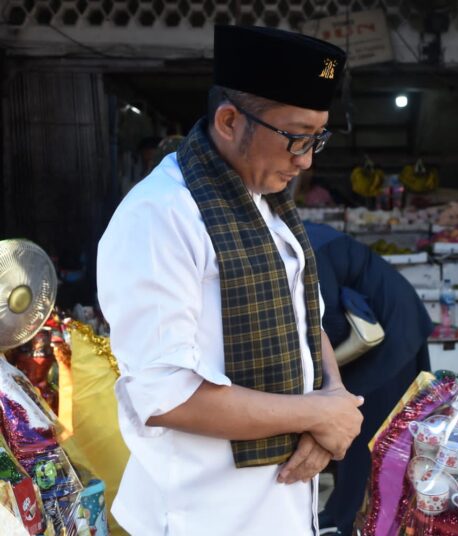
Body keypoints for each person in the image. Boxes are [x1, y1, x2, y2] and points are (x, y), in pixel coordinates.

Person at [97, 25, 364, 535]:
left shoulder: (265, 201)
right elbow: (166, 396)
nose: (306, 160)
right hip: (207, 514)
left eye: (318, 139)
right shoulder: (161, 216)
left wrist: (331, 397)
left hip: (280, 505)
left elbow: (305, 320)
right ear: (228, 120)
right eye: (296, 137)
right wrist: (312, 414)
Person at [303, 222, 433, 535]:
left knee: (368, 432)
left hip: (388, 337)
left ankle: (357, 519)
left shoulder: (304, 249)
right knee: (376, 427)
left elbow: (330, 322)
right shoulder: (302, 234)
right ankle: (344, 509)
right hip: (393, 323)